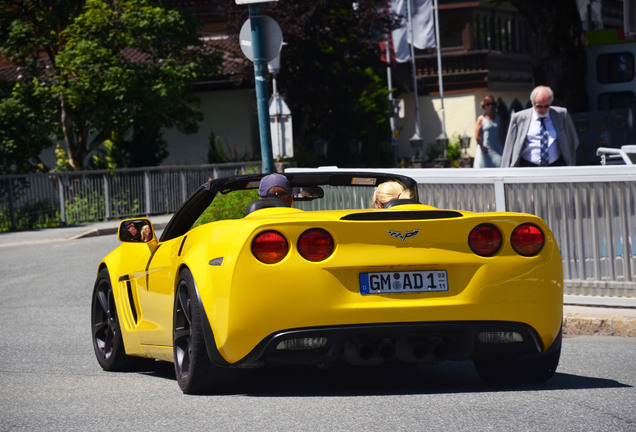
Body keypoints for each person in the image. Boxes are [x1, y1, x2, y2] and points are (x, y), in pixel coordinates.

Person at [501, 85, 579, 167]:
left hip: (556, 165)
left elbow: (573, 141)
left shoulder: (561, 115)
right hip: (528, 166)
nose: (543, 109)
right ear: (532, 103)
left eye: (546, 106)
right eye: (539, 106)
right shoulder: (519, 118)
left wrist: (570, 161)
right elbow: (509, 148)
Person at [473, 95, 504, 168]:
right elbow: (477, 136)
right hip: (485, 149)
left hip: (497, 149)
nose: (491, 106)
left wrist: (504, 147)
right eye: (488, 104)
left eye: (493, 104)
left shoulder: (498, 118)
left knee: (500, 167)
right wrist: (482, 146)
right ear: (484, 106)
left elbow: (501, 135)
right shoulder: (481, 119)